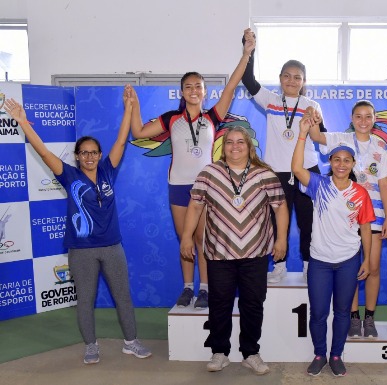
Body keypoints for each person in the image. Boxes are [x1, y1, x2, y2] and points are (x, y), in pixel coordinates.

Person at [4, 86, 152, 364]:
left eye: (93, 152)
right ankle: (91, 345)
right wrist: (23, 122)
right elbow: (44, 153)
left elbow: (121, 141)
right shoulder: (69, 176)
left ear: (99, 154)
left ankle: (131, 342)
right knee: (85, 299)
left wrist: (130, 107)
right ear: (77, 156)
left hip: (112, 248)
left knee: (123, 297)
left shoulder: (108, 170)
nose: (89, 157)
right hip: (82, 250)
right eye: (83, 153)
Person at [130, 30, 256, 308]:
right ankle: (187, 288)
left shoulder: (213, 117)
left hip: (206, 188)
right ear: (182, 91)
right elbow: (138, 130)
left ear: (204, 91)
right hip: (178, 186)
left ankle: (205, 289)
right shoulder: (171, 118)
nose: (194, 91)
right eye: (189, 87)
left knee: (202, 239)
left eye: (198, 86)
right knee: (184, 239)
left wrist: (246, 53)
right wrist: (134, 105)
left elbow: (232, 86)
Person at [180, 126, 289, 375]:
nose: (235, 146)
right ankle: (220, 352)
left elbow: (280, 207)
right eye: (230, 142)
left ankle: (251, 353)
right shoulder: (209, 173)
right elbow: (195, 207)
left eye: (241, 142)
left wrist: (281, 239)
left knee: (252, 304)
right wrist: (186, 237)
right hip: (220, 252)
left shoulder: (265, 174)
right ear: (223, 147)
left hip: (256, 252)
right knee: (220, 303)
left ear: (249, 147)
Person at [241, 30, 325, 283]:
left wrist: (317, 123)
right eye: (287, 76)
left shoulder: (312, 105)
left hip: (307, 170)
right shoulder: (271, 100)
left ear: (304, 81)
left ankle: (311, 264)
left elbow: (321, 138)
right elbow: (248, 79)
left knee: (309, 222)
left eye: (297, 77)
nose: (291, 80)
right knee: (278, 222)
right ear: (280, 79)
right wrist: (249, 50)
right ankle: (278, 265)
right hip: (276, 172)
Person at [293, 115, 374, 376]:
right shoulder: (319, 185)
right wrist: (303, 133)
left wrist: (367, 259)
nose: (341, 164)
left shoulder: (360, 193)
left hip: (349, 260)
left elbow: (365, 228)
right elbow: (296, 169)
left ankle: (336, 355)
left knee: (341, 313)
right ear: (330, 161)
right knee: (318, 313)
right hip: (320, 261)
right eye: (336, 159)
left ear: (353, 164)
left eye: (346, 160)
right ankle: (319, 354)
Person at [307, 100, 387, 338]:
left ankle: (370, 317)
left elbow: (384, 183)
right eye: (358, 116)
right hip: (346, 216)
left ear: (374, 119)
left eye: (368, 116)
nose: (363, 121)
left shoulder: (382, 147)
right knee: (352, 268)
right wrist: (313, 114)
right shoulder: (341, 140)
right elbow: (316, 135)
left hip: (373, 216)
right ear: (352, 119)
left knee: (373, 268)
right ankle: (354, 317)